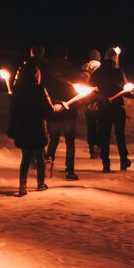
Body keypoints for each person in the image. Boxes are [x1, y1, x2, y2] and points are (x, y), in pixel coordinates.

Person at [8, 58, 59, 194]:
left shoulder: (17, 91)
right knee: (40, 157)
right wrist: (57, 107)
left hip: (23, 128)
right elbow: (49, 110)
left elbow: (13, 112)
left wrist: (11, 129)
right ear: (36, 75)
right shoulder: (40, 90)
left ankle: (22, 185)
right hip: (37, 128)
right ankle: (40, 183)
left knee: (25, 158)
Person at [90, 48, 133, 172]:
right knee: (120, 135)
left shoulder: (98, 72)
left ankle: (106, 162)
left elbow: (90, 89)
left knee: (104, 134)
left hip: (103, 108)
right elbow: (124, 90)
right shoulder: (118, 72)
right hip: (118, 107)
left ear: (105, 57)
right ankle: (123, 160)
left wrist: (97, 98)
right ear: (115, 58)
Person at [43, 47, 83, 179]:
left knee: (53, 138)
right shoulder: (71, 71)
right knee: (70, 141)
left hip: (53, 109)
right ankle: (69, 171)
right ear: (66, 56)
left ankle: (49, 160)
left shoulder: (46, 71)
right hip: (69, 110)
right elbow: (78, 90)